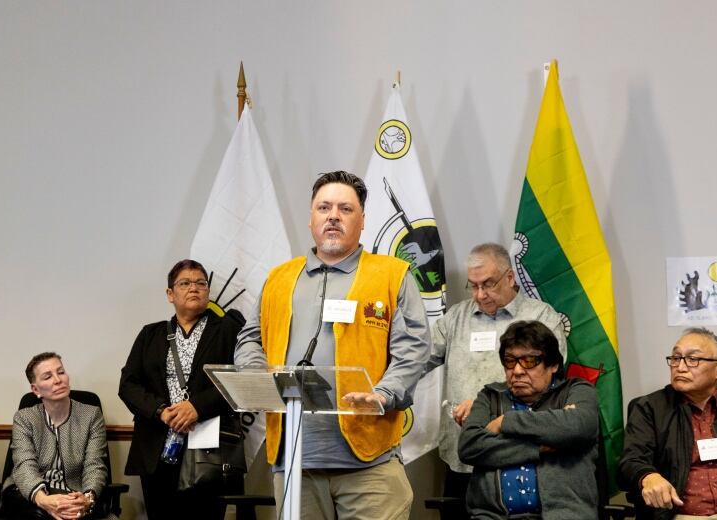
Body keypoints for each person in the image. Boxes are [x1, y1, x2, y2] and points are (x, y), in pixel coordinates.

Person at [234, 170, 431, 520]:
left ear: (362, 220)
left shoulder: (392, 274)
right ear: (311, 218)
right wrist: (258, 378)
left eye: (345, 209)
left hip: (369, 463)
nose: (333, 216)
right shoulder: (279, 278)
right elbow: (250, 338)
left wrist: (383, 394)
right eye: (324, 208)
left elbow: (413, 349)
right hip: (294, 461)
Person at [426, 242, 566, 499]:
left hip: (517, 455)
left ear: (510, 277)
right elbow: (418, 359)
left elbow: (549, 383)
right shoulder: (456, 318)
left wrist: (483, 407)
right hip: (463, 456)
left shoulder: (541, 318)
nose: (480, 294)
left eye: (488, 284)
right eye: (474, 285)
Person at [118, 259, 244, 520]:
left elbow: (240, 379)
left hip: (209, 449)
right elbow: (128, 385)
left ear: (208, 292)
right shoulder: (150, 334)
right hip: (158, 446)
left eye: (201, 283)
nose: (194, 288)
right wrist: (161, 411)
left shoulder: (229, 331)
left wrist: (198, 407)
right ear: (170, 294)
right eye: (185, 283)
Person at [618, 327, 717, 519]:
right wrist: (648, 476)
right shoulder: (649, 408)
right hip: (678, 514)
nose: (680, 367)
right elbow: (630, 462)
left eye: (693, 359)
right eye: (675, 358)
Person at [458, 320, 598, 519]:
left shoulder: (576, 391)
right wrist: (538, 447)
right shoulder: (490, 396)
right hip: (492, 516)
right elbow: (469, 446)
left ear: (553, 365)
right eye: (509, 361)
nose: (517, 371)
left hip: (563, 514)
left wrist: (505, 421)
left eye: (529, 361)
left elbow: (578, 426)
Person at [0, 352, 108, 519]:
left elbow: (95, 465)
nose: (58, 380)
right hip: (27, 495)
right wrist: (43, 500)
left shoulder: (91, 415)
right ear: (35, 389)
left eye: (61, 372)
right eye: (47, 376)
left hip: (73, 494)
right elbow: (24, 464)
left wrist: (86, 499)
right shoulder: (24, 418)